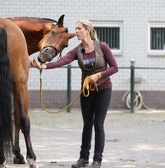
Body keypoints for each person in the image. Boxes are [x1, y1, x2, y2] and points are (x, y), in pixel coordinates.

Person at [30, 19, 118, 168]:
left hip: (103, 89)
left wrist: (99, 75)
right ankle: (83, 158)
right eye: (76, 28)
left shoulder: (102, 46)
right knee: (87, 125)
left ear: (87, 30)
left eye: (79, 28)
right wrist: (42, 66)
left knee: (98, 124)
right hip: (86, 91)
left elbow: (114, 68)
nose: (76, 31)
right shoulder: (77, 50)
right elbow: (61, 61)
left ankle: (97, 160)